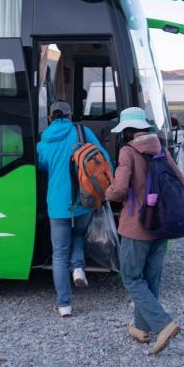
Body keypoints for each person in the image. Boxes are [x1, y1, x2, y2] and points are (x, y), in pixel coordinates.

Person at [105, 107, 184, 355]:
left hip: (136, 226)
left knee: (131, 277)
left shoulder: (128, 151)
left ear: (128, 131)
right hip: (162, 225)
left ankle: (163, 324)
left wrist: (106, 194)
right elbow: (181, 181)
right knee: (150, 279)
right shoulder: (161, 149)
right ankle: (142, 328)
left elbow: (119, 189)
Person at [36, 101, 112, 316]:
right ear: (70, 115)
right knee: (78, 233)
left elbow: (42, 166)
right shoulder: (83, 132)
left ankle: (64, 305)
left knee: (59, 255)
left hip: (57, 205)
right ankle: (78, 267)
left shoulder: (43, 141)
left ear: (50, 118)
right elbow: (103, 159)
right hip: (83, 200)